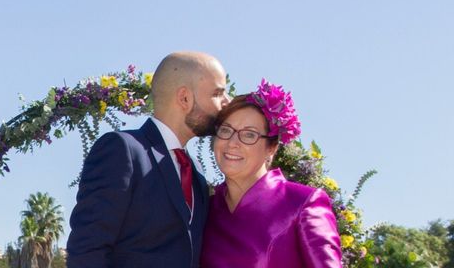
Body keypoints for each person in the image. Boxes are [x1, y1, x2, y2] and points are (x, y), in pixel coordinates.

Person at [66, 51, 229, 268]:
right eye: (217, 94)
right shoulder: (123, 151)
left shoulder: (196, 175)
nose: (227, 102)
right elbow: (87, 250)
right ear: (184, 98)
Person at [200, 80, 343, 267]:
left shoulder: (301, 203)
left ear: (271, 148)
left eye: (249, 134)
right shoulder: (206, 209)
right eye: (226, 130)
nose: (233, 142)